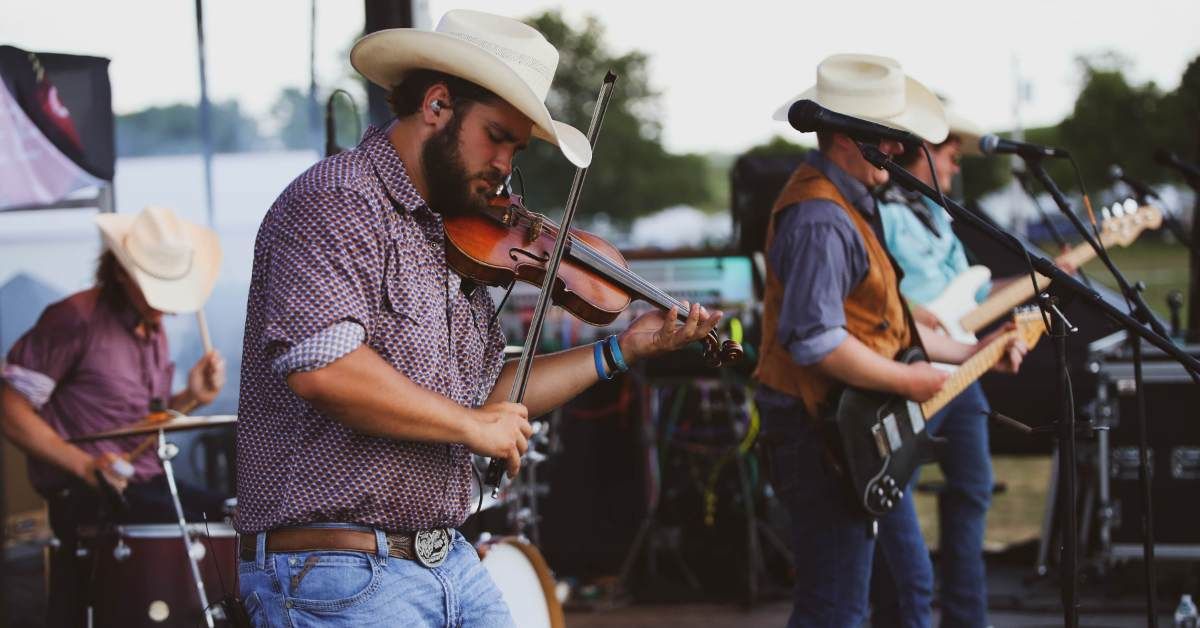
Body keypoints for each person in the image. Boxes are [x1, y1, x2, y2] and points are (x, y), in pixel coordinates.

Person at [233, 9, 722, 627]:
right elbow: (325, 368)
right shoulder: (338, 199)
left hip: (446, 558)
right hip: (339, 569)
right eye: (496, 136)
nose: (504, 166)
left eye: (516, 148)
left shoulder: (451, 234)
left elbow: (490, 396)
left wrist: (621, 349)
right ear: (437, 105)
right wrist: (471, 427)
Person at [753, 54, 1028, 628]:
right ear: (845, 137)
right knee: (837, 606)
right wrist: (910, 380)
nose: (899, 149)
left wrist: (976, 351)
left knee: (876, 595)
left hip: (840, 431)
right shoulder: (822, 218)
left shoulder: (850, 205)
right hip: (817, 434)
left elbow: (886, 326)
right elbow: (815, 341)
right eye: (887, 137)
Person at [873, 106, 1076, 627]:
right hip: (907, 368)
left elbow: (977, 294)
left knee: (975, 487)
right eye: (949, 154)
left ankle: (966, 618)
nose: (956, 165)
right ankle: (899, 612)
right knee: (892, 490)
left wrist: (1050, 273)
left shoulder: (941, 217)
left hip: (961, 372)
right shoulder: (881, 214)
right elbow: (875, 293)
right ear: (920, 151)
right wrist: (914, 316)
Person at [0, 205, 227, 626]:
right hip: (88, 496)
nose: (166, 305)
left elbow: (143, 421)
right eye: (155, 286)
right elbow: (10, 409)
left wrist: (191, 398)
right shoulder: (74, 318)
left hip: (147, 481)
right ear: (121, 272)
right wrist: (85, 466)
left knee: (232, 512)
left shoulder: (153, 327)